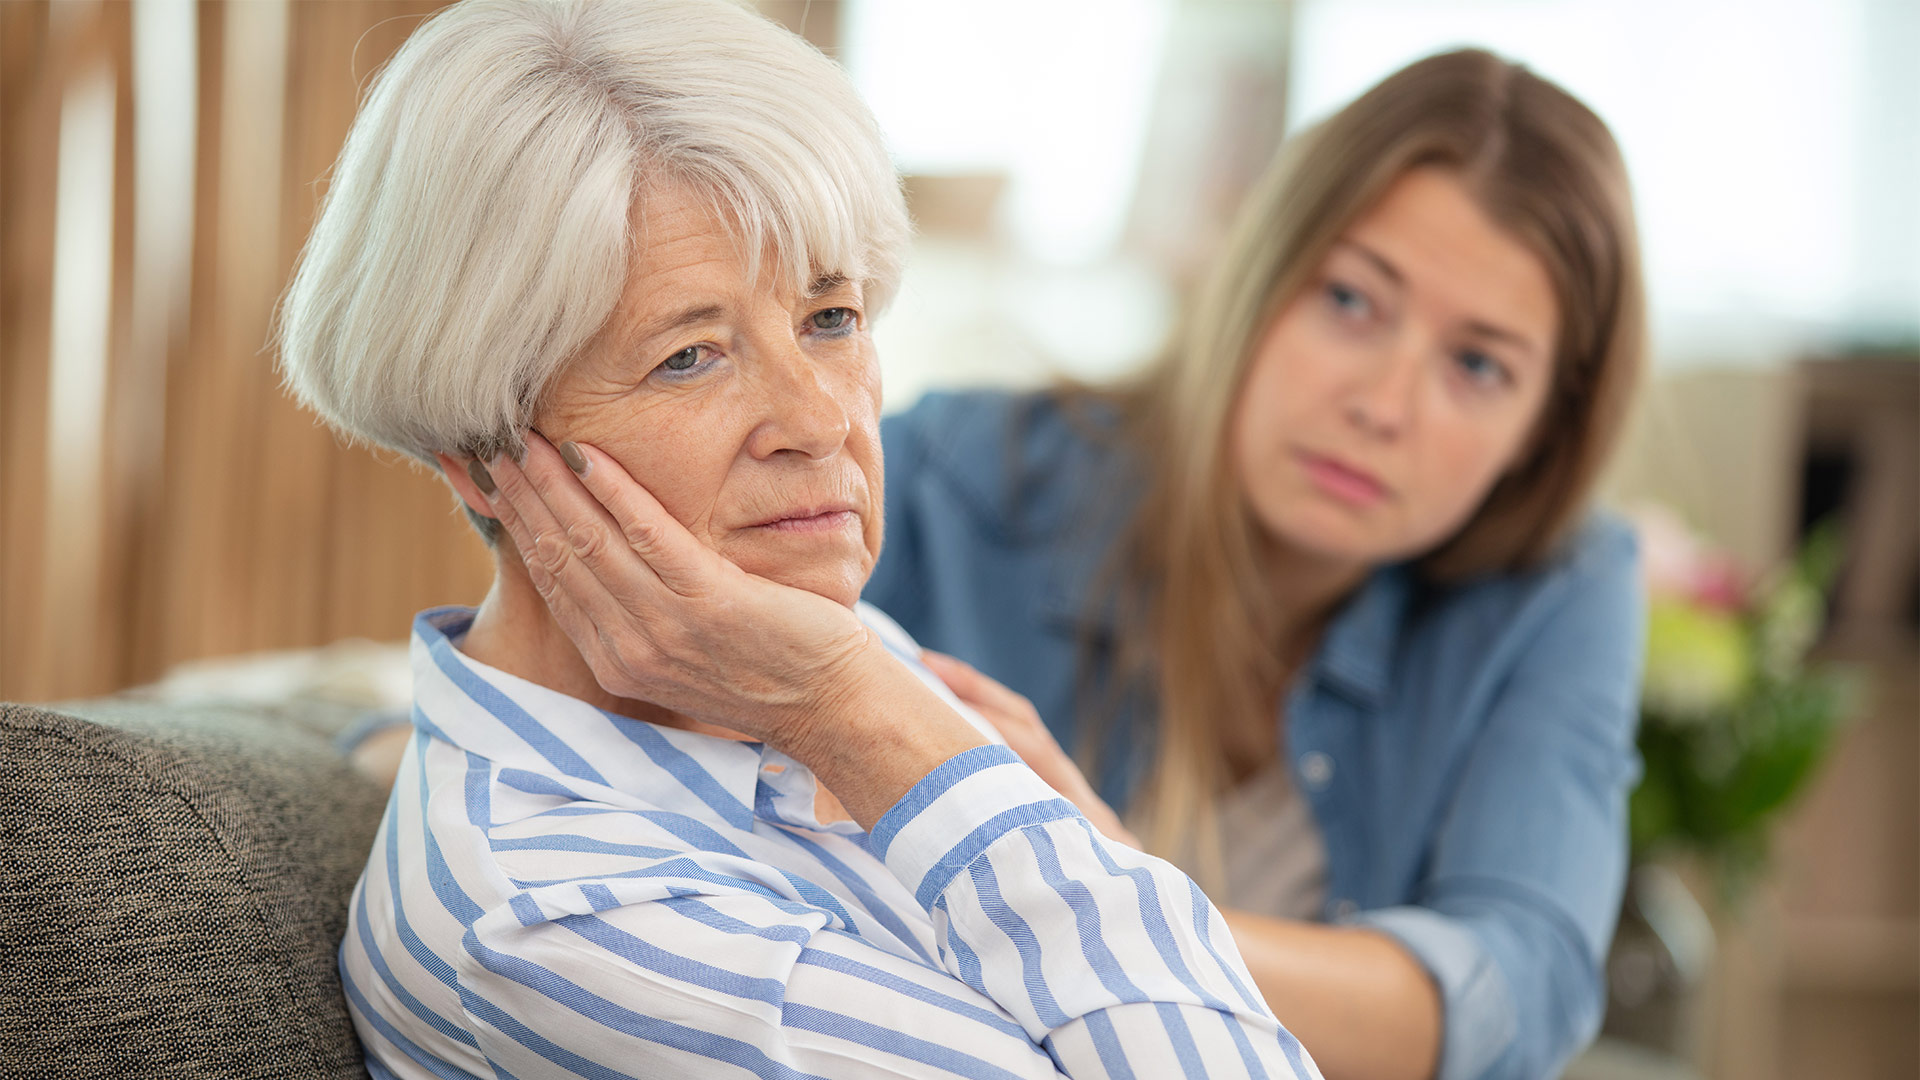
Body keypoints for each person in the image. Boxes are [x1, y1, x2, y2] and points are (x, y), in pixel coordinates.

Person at [277, 2, 1321, 1078]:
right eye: (691, 356)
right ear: (479, 453)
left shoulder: (800, 649)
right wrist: (863, 715)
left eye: (832, 319)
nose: (823, 421)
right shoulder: (554, 920)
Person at [865, 50, 1648, 1080]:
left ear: (1542, 431)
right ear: (1259, 270)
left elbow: (1519, 988)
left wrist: (1111, 896)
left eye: (1477, 365)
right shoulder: (947, 482)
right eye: (1352, 301)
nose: (1384, 403)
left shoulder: (1560, 586)